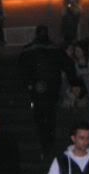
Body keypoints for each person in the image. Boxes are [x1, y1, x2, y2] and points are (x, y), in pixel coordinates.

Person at [19, 25, 80, 158]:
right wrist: (74, 82)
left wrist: (27, 85)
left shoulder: (28, 50)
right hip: (52, 88)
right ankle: (49, 144)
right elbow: (69, 66)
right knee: (50, 116)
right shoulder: (55, 49)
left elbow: (21, 71)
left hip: (36, 89)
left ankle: (44, 145)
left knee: (40, 117)